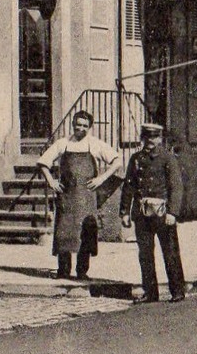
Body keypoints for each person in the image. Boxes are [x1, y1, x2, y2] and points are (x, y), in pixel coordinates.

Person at [37, 109, 122, 280]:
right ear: (73, 125)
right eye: (78, 125)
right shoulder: (62, 143)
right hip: (67, 196)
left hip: (87, 197)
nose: (81, 129)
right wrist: (52, 182)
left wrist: (102, 178)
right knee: (64, 233)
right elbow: (43, 162)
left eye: (84, 126)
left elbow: (117, 161)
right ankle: (63, 271)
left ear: (89, 127)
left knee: (86, 234)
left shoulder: (95, 144)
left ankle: (82, 271)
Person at [120, 122, 186, 303]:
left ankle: (177, 290)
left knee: (170, 252)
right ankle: (150, 292)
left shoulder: (167, 158)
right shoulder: (135, 159)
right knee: (145, 254)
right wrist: (125, 211)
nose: (150, 141)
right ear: (142, 138)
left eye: (154, 137)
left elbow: (176, 187)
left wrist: (173, 212)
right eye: (146, 137)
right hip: (142, 214)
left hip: (163, 214)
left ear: (160, 138)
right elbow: (129, 186)